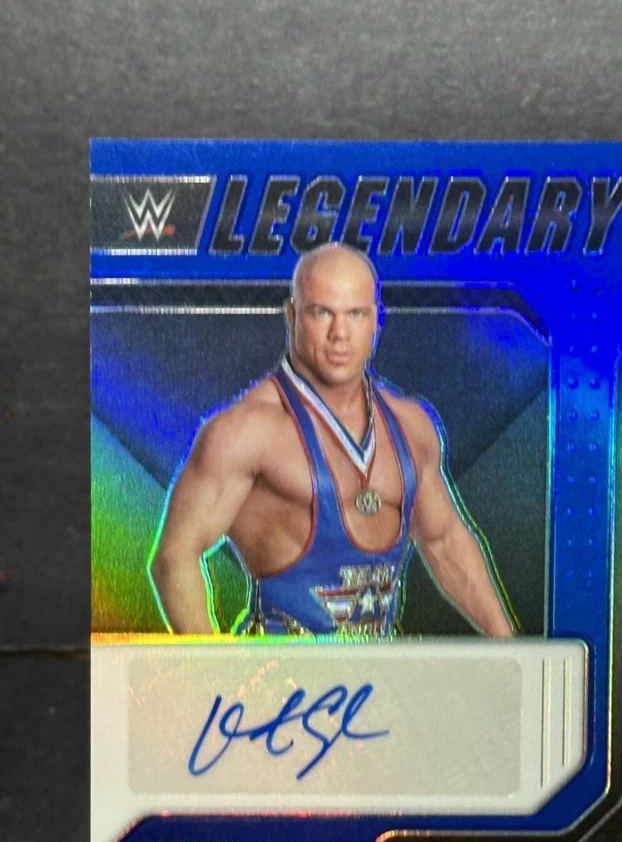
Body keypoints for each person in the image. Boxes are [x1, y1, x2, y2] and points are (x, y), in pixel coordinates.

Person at [148, 243, 517, 637]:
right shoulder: (244, 431)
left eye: (355, 314)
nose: (340, 334)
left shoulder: (412, 425)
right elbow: (173, 558)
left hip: (379, 664)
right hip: (282, 671)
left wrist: (512, 650)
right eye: (321, 312)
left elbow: (444, 542)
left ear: (377, 319)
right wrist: (215, 669)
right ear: (292, 316)